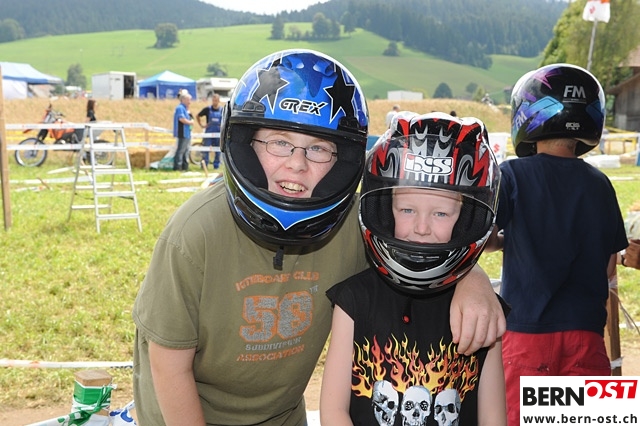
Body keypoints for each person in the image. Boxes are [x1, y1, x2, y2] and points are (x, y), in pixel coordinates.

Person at [132, 49, 505, 426]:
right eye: (279, 142)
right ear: (245, 144)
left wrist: (472, 280)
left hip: (281, 419)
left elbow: (418, 244)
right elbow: (168, 366)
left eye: (318, 149)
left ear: (343, 161)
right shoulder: (195, 233)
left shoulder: (354, 227)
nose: (297, 163)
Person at [320, 112, 507, 426]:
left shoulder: (482, 312)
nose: (421, 228)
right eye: (407, 209)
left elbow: (493, 418)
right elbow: (333, 411)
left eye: (441, 213)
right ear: (384, 209)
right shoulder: (354, 299)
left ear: (466, 220)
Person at [485, 63, 629, 425]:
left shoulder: (513, 173)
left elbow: (483, 236)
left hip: (527, 334)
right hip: (586, 335)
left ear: (529, 114)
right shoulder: (600, 184)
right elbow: (608, 265)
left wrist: (504, 242)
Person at [196, 93, 223, 169]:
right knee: (205, 149)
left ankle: (216, 166)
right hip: (209, 132)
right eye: (213, 100)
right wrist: (202, 125)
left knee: (218, 150)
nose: (215, 102)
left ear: (219, 101)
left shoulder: (222, 110)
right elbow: (198, 115)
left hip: (218, 133)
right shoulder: (207, 109)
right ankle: (204, 165)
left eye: (216, 100)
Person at [173, 91, 194, 171]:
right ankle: (177, 167)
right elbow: (181, 119)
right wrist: (190, 122)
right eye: (188, 100)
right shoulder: (180, 108)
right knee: (181, 150)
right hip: (182, 132)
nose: (190, 102)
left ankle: (185, 167)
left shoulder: (185, 109)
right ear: (183, 100)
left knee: (186, 150)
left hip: (187, 133)